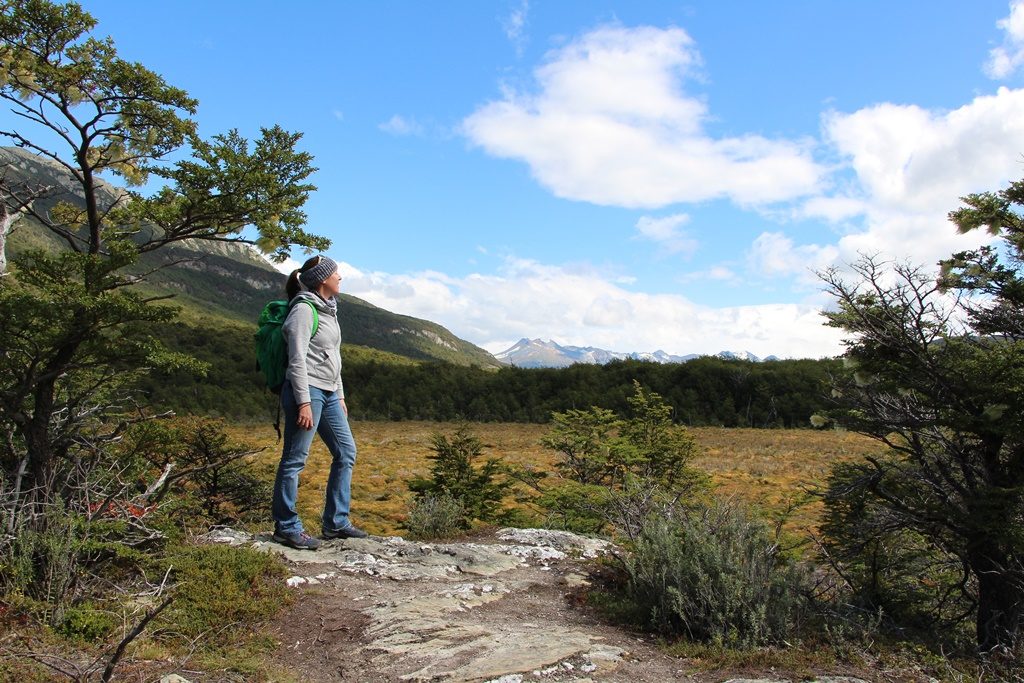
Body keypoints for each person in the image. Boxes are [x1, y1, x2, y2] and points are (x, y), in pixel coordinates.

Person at [271, 255, 367, 550]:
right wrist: (303, 403)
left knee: (346, 452)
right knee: (295, 460)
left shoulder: (329, 310)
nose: (340, 278)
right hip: (308, 391)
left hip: (328, 393)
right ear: (323, 279)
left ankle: (336, 522)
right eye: (337, 273)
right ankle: (286, 527)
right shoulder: (303, 310)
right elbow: (297, 360)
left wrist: (339, 394)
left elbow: (333, 357)